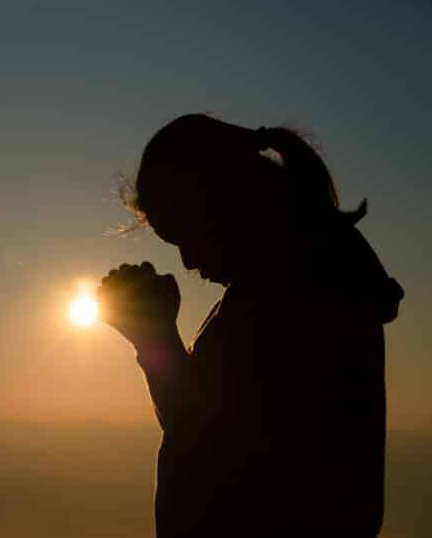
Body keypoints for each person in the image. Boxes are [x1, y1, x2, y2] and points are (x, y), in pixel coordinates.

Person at [97, 114, 403, 537]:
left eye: (186, 235)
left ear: (225, 203)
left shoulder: (298, 295)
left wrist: (155, 337)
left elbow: (215, 446)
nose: (187, 261)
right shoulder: (295, 278)